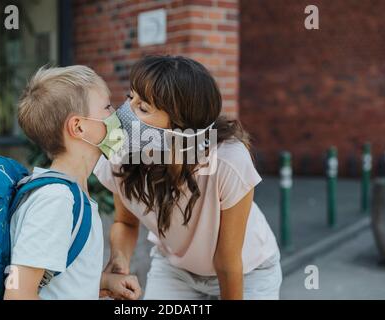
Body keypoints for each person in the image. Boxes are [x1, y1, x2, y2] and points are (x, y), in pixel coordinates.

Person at [95, 56, 282, 300]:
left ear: (180, 126)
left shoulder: (228, 161)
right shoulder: (120, 154)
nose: (125, 113)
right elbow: (126, 223)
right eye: (131, 98)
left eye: (143, 108)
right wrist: (118, 263)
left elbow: (227, 261)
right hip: (176, 270)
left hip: (249, 272)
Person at [4, 65, 141, 300]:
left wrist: (106, 281)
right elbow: (19, 294)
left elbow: (59, 285)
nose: (116, 114)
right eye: (107, 107)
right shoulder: (56, 200)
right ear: (78, 127)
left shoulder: (71, 195)